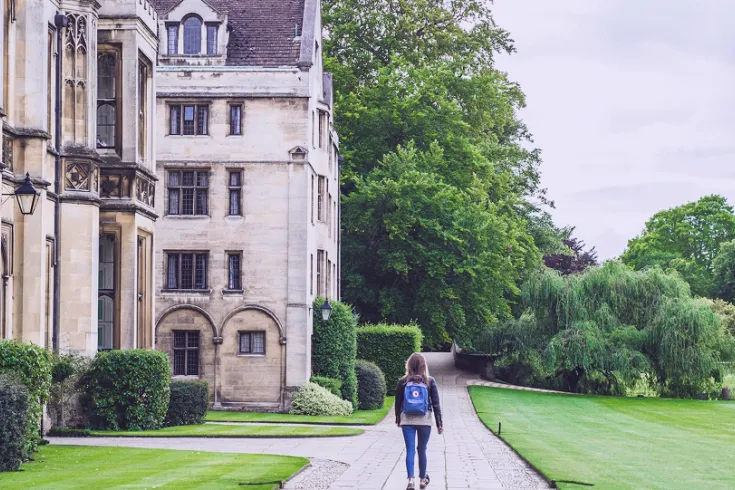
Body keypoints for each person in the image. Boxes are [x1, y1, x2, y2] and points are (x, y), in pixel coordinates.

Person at [395, 353, 443, 490]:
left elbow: (397, 403)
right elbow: (436, 404)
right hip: (425, 420)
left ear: (409, 365)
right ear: (424, 365)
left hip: (407, 420)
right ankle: (423, 480)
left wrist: (398, 419)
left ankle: (410, 480)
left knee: (410, 450)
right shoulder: (429, 381)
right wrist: (440, 424)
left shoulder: (403, 381)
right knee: (422, 450)